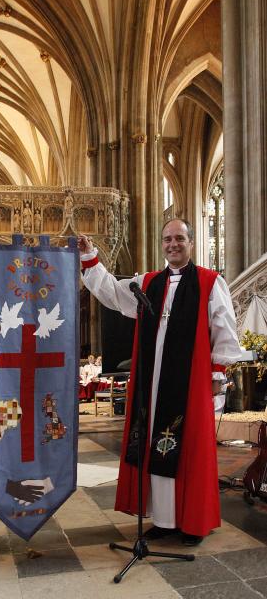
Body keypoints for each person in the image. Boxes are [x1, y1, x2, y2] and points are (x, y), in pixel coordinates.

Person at [78, 219, 241, 546]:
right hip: (151, 385)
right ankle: (165, 520)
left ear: (191, 242)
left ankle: (192, 522)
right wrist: (90, 257)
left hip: (190, 383)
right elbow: (111, 292)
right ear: (162, 244)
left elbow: (224, 329)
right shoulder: (148, 283)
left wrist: (218, 374)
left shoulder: (210, 282)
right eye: (167, 239)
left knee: (190, 449)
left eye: (179, 238)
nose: (173, 244)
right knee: (154, 445)